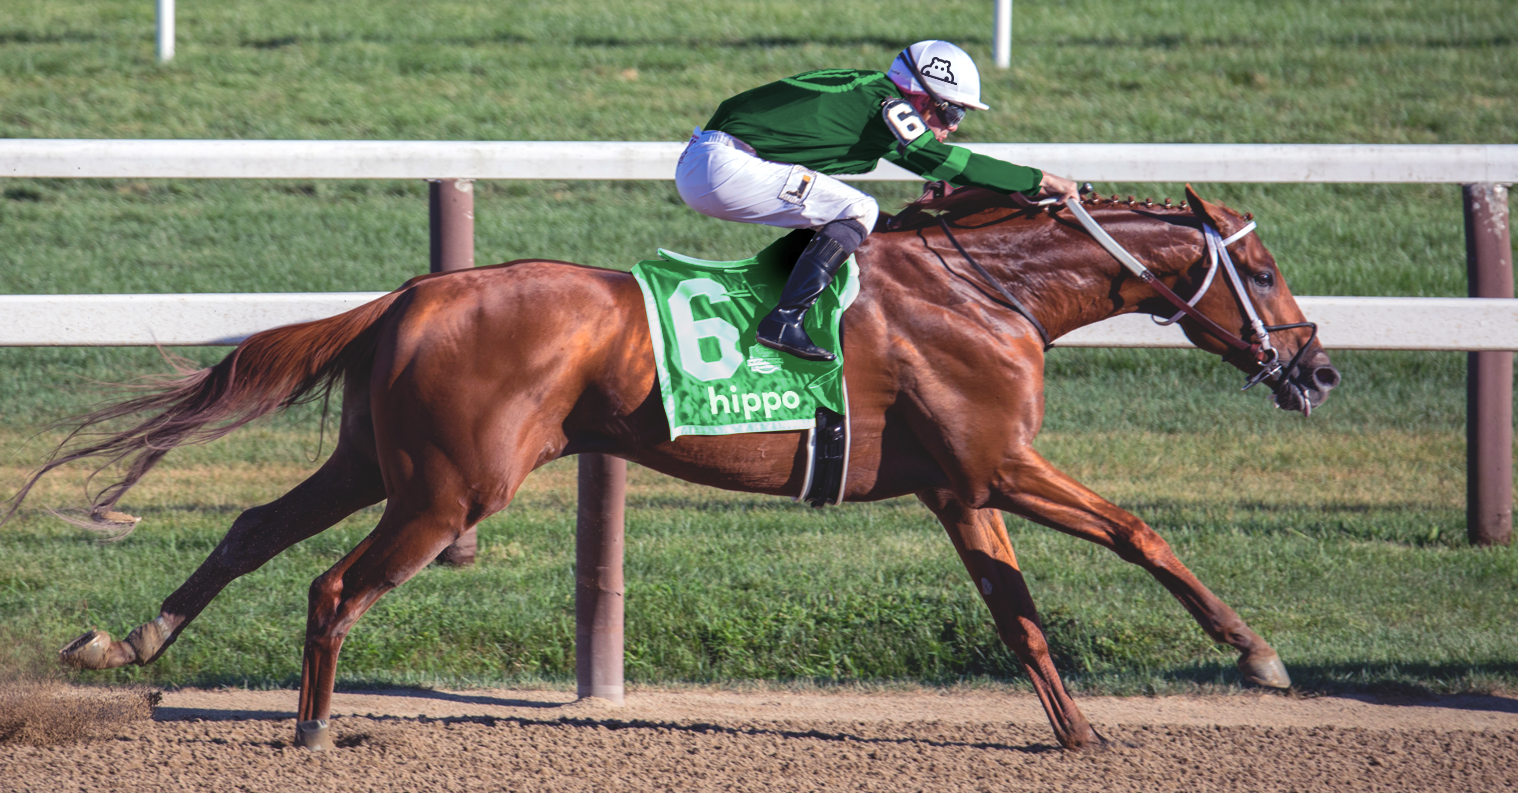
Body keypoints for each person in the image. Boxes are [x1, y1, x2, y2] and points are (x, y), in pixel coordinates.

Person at [675, 40, 1080, 362]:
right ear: (924, 100)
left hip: (715, 160)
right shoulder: (890, 103)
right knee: (859, 209)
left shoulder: (874, 98)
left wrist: (1011, 191)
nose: (953, 127)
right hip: (724, 165)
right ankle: (784, 319)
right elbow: (938, 160)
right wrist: (1039, 180)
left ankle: (774, 299)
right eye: (953, 114)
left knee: (860, 220)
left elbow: (934, 167)